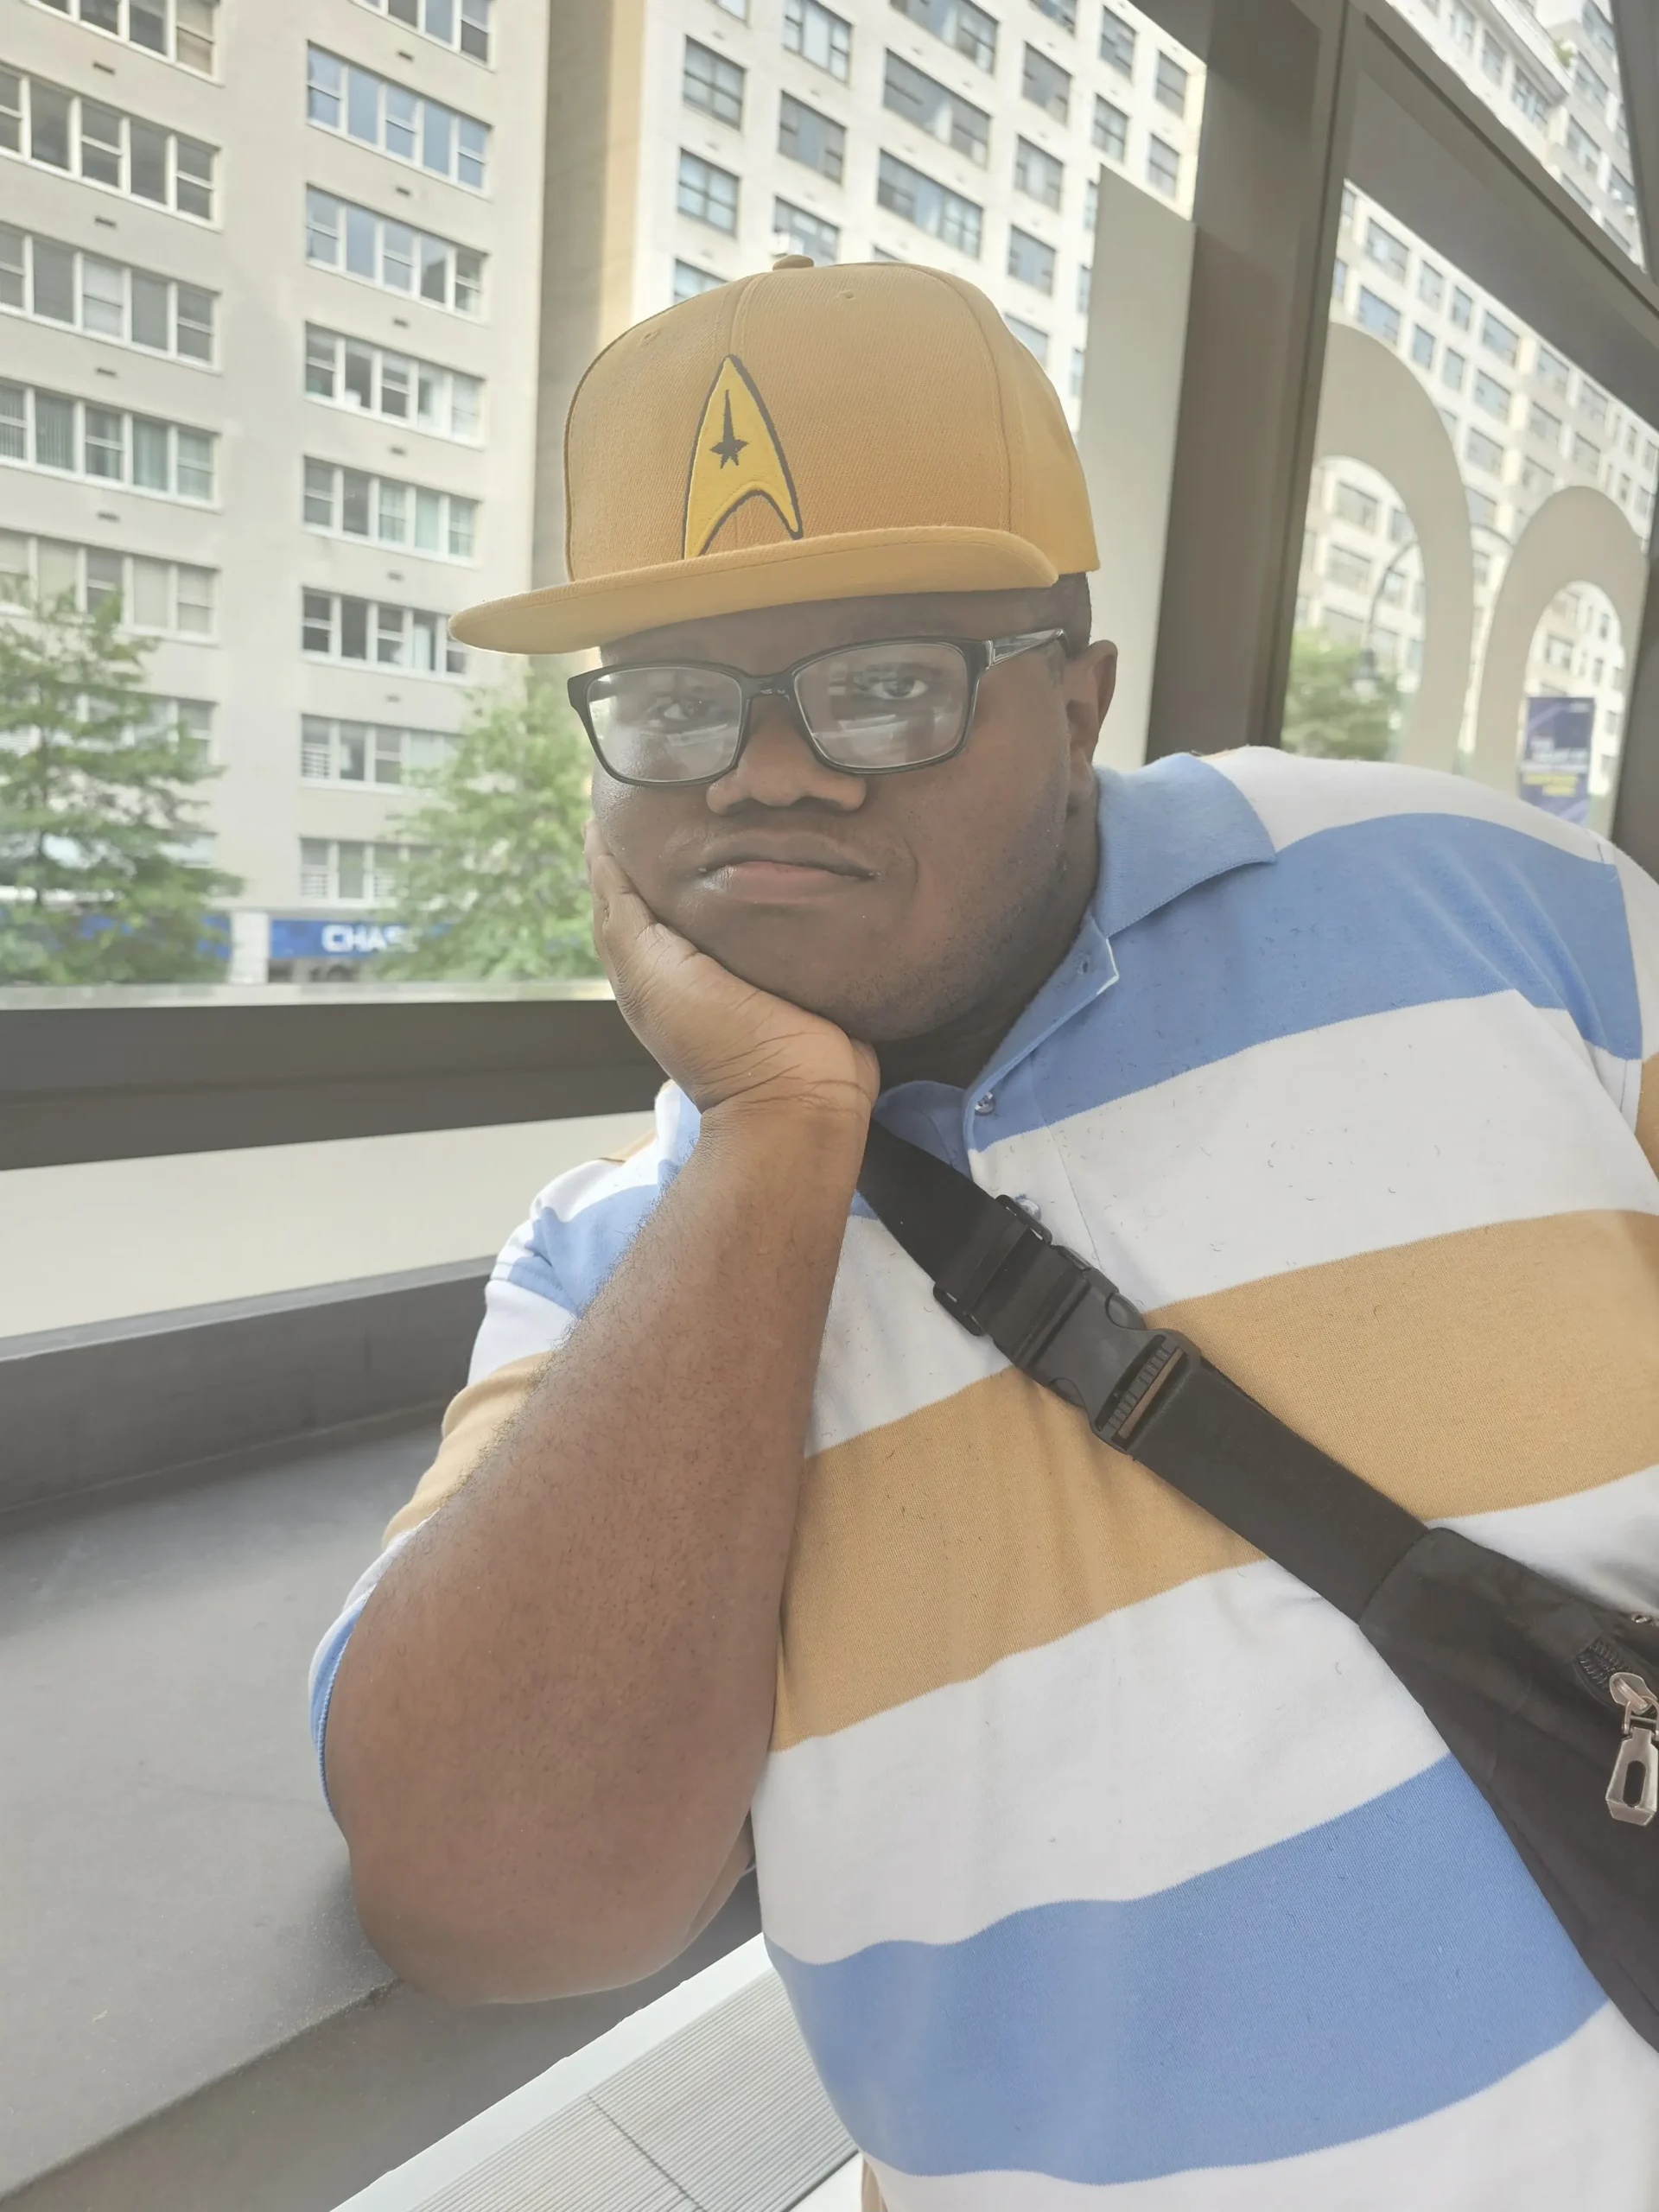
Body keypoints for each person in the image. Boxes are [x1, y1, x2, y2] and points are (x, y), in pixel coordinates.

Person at [311, 258, 1659, 2209]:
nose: (768, 770)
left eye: (880, 685)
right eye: (678, 703)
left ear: (1081, 695)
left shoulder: (1498, 914)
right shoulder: (622, 1265)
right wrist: (777, 1133)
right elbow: (504, 1904)